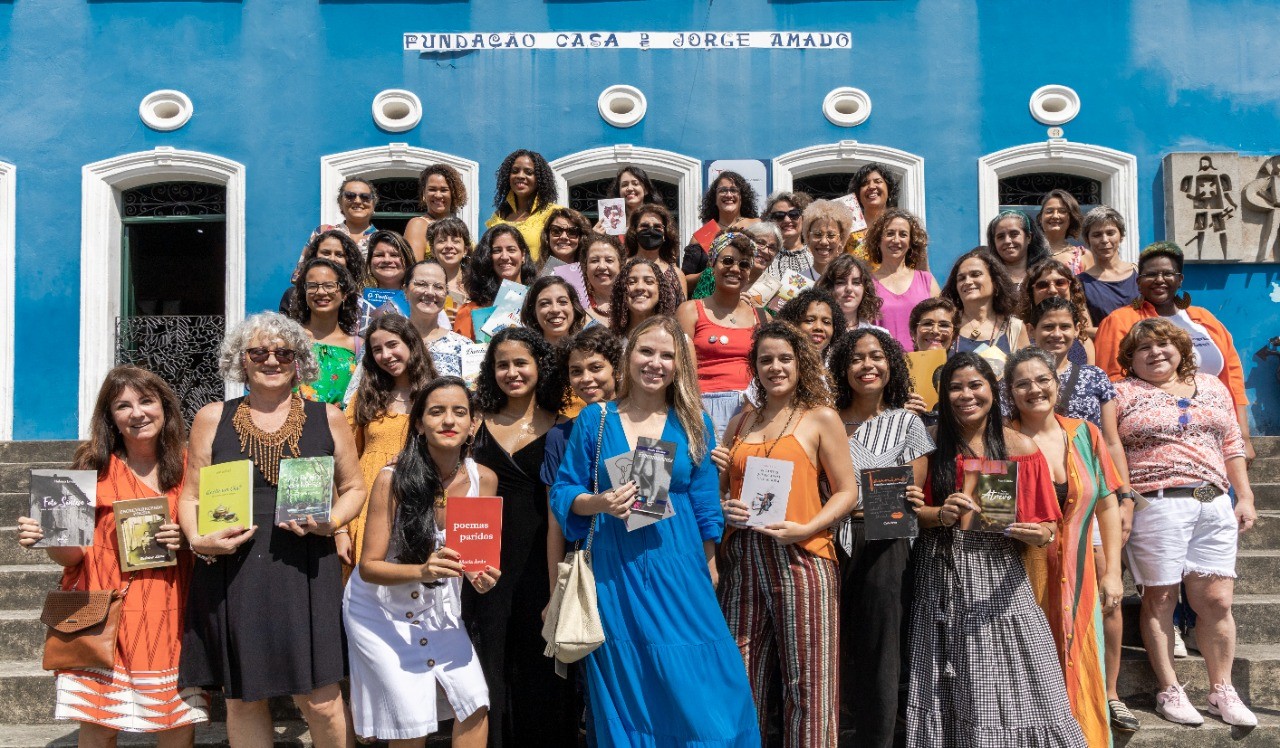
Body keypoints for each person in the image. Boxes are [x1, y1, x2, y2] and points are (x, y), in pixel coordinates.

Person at [549, 315, 760, 746]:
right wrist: (599, 503)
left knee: (709, 678)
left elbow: (704, 498)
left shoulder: (693, 421)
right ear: (628, 357)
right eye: (647, 351)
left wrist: (711, 561)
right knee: (631, 680)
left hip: (680, 564)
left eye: (668, 355)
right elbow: (564, 489)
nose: (655, 363)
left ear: (680, 365)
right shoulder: (597, 419)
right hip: (615, 568)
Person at [178, 312, 366, 746]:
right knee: (244, 697)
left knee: (319, 697)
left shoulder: (329, 416)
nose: (271, 360)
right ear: (241, 360)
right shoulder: (211, 417)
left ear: (298, 359)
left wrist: (333, 522)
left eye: (283, 352)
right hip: (235, 568)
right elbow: (190, 496)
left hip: (307, 566)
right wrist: (197, 538)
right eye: (258, 352)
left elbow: (355, 487)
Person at [16, 366, 208, 743]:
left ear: (165, 408)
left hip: (170, 614)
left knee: (175, 725)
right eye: (123, 405)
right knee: (99, 727)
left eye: (146, 401)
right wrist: (48, 536)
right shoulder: (91, 469)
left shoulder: (193, 467)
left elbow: (216, 533)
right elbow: (70, 558)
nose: (137, 413)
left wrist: (187, 538)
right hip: (101, 614)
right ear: (111, 418)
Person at [907, 352, 1085, 747]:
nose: (966, 395)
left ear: (993, 389)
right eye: (955, 387)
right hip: (940, 572)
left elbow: (1049, 528)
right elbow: (907, 512)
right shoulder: (928, 442)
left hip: (1000, 578)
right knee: (945, 683)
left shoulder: (1020, 445)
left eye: (976, 385)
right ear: (943, 393)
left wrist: (1033, 535)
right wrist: (941, 513)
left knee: (1015, 678)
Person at [715, 321, 858, 748]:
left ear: (800, 364)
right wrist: (725, 503)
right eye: (766, 360)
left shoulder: (821, 417)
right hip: (744, 556)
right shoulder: (740, 422)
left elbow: (848, 491)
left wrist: (808, 528)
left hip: (804, 556)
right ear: (754, 368)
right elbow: (723, 494)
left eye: (784, 359)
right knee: (738, 677)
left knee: (810, 684)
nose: (775, 367)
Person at [1114, 319, 1258, 727]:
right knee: (1160, 599)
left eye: (1163, 345)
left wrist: (1244, 495)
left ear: (1181, 349)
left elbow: (1231, 443)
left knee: (1217, 601)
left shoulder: (1212, 386)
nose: (1155, 353)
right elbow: (1112, 446)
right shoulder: (1123, 393)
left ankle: (1221, 689)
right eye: (1144, 348)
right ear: (1130, 358)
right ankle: (1169, 689)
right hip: (1157, 502)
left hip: (1213, 502)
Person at [343, 376, 500, 746]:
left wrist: (482, 576)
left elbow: (477, 557)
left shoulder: (485, 480)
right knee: (410, 718)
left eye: (460, 412)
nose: (449, 421)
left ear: (473, 423)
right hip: (379, 612)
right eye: (436, 412)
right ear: (418, 424)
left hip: (439, 608)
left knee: (474, 702)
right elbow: (369, 567)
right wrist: (423, 570)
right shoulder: (391, 479)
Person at [1004, 347, 1124, 745]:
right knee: (1030, 666)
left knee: (1083, 659)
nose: (1034, 389)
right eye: (1022, 383)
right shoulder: (1002, 439)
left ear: (1057, 384)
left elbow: (1107, 503)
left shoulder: (1085, 434)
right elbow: (992, 511)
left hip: (1081, 573)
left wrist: (1112, 572)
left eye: (1042, 380)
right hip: (1021, 577)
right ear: (1010, 392)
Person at [1028, 297, 1137, 732]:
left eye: (1064, 326)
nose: (1056, 334)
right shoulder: (1013, 396)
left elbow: (1110, 441)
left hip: (1086, 494)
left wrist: (1125, 493)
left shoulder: (1091, 379)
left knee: (1100, 594)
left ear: (1078, 330)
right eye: (1047, 326)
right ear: (1031, 331)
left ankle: (1107, 694)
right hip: (1037, 518)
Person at [467, 327, 575, 747]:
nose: (511, 372)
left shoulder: (566, 429)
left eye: (520, 363)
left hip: (543, 561)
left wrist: (555, 585)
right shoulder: (474, 427)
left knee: (543, 668)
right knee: (488, 666)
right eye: (502, 364)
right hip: (486, 565)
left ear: (539, 367)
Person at [826, 328, 934, 748]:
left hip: (885, 543)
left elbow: (910, 495)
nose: (866, 365)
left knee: (880, 649)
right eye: (856, 358)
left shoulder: (908, 422)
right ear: (842, 367)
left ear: (891, 365)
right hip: (827, 538)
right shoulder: (824, 418)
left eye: (876, 356)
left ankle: (879, 739)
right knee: (830, 642)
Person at [1095, 241, 1254, 461]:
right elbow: (1111, 383)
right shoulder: (1120, 321)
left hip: (1215, 437)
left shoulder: (1205, 319)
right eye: (1150, 275)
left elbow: (1233, 381)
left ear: (1180, 280)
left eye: (1167, 273)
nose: (1159, 280)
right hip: (1154, 442)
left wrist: (1243, 437)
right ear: (1139, 282)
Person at [341, 314, 438, 574]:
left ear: (411, 344)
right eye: (377, 350)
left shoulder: (436, 395)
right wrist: (340, 528)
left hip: (420, 498)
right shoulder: (366, 397)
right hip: (367, 504)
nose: (386, 355)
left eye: (392, 345)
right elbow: (343, 459)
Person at [676, 232, 762, 439]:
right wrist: (696, 414)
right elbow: (684, 368)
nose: (735, 269)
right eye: (728, 261)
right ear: (712, 265)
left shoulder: (762, 316)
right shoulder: (690, 310)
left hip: (751, 409)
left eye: (744, 264)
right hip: (702, 407)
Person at [940, 248, 1029, 374]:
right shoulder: (946, 324)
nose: (967, 282)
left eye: (975, 274)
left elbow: (1026, 375)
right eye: (961, 278)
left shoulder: (1015, 328)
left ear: (995, 282)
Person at [288, 258, 359, 408]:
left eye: (329, 286)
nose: (320, 292)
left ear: (344, 293)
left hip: (339, 428)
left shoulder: (358, 347)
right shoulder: (289, 339)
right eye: (312, 286)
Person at [867, 209, 940, 349]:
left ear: (911, 241)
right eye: (889, 233)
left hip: (923, 363)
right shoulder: (867, 284)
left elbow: (942, 323)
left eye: (903, 234)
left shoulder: (927, 281)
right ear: (878, 240)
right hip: (884, 366)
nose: (896, 240)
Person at [454, 225, 537, 343]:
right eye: (497, 251)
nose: (504, 256)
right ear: (487, 257)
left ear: (523, 255)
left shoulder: (538, 302)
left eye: (511, 249)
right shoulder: (470, 311)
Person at [682, 172, 762, 287]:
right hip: (711, 301)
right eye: (723, 190)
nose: (728, 195)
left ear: (742, 196)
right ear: (714, 199)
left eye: (734, 190)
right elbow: (684, 281)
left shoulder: (757, 225)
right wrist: (710, 271)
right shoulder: (703, 235)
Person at [294, 178, 379, 280]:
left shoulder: (381, 240)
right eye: (350, 196)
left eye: (365, 197)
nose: (357, 201)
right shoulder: (323, 232)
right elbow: (300, 275)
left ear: (373, 204)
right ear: (340, 203)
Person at [484, 149, 562, 262]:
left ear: (539, 179)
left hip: (540, 278)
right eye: (515, 171)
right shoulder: (499, 216)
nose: (520, 176)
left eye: (529, 172)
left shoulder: (554, 214)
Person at [406, 260, 473, 379]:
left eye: (438, 287)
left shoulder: (464, 346)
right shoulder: (387, 340)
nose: (430, 292)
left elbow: (475, 392)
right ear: (405, 291)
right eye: (421, 284)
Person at [1020, 259, 1095, 365]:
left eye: (1060, 283)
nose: (1052, 290)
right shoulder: (1017, 332)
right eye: (1042, 285)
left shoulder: (1084, 341)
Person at [1078, 206, 1137, 331]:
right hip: (1105, 348)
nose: (1104, 240)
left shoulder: (1140, 274)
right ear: (1087, 240)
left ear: (1121, 236)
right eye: (1097, 235)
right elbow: (1085, 330)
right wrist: (1128, 333)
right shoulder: (1080, 283)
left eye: (1110, 233)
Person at [279, 229, 365, 315]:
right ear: (314, 256)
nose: (332, 259)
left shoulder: (361, 300)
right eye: (326, 253)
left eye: (339, 255)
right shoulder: (293, 296)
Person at [405, 163, 468, 261]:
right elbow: (414, 268)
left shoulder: (458, 225)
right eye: (432, 189)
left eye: (444, 190)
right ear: (423, 194)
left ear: (453, 194)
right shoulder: (418, 225)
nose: (438, 195)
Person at [624, 203, 686, 302]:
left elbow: (681, 313)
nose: (651, 231)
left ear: (665, 234)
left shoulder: (677, 275)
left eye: (657, 227)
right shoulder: (621, 268)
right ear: (635, 231)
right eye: (644, 226)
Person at [609, 257, 681, 339]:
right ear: (621, 291)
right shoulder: (610, 341)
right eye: (631, 282)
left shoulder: (676, 339)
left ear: (660, 290)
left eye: (649, 282)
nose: (640, 287)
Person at [986, 209, 1051, 293]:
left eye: (1014, 234)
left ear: (1028, 237)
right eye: (1000, 237)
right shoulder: (988, 277)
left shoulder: (1047, 274)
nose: (1007, 241)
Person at [776, 287, 847, 361]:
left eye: (826, 322)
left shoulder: (831, 370)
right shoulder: (779, 364)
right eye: (809, 320)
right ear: (792, 325)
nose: (819, 327)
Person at [818, 254, 884, 332]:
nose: (849, 288)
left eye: (856, 282)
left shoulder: (879, 337)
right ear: (829, 287)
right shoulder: (819, 333)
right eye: (841, 282)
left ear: (865, 288)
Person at [845, 164, 899, 258]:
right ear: (858, 194)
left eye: (878, 181)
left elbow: (920, 268)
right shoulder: (848, 231)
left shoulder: (902, 226)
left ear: (889, 190)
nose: (871, 186)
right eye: (865, 183)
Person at [519, 275, 587, 347]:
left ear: (573, 307)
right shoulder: (524, 354)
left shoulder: (588, 352)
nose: (555, 309)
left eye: (562, 301)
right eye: (545, 303)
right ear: (533, 312)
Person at [592, 165, 665, 231]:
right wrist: (595, 237)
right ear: (619, 192)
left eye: (635, 184)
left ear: (646, 190)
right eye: (624, 185)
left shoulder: (656, 219)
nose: (629, 188)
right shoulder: (609, 222)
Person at [425, 217, 474, 317]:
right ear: (433, 250)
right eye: (441, 241)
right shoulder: (422, 283)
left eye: (455, 241)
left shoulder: (477, 283)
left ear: (465, 250)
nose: (449, 246)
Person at [1039, 189, 1093, 274]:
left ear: (1071, 218)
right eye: (1049, 211)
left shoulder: (1083, 256)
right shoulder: (1027, 253)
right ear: (1040, 218)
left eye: (1062, 211)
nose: (1055, 216)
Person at [803, 199, 854, 281]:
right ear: (808, 237)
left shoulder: (850, 282)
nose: (823, 242)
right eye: (817, 234)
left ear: (841, 239)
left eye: (831, 235)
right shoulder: (794, 283)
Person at [578, 232, 622, 327]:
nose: (602, 266)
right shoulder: (576, 304)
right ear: (585, 267)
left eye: (609, 260)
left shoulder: (632, 301)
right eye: (594, 260)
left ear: (621, 265)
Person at [537, 207, 590, 275]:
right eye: (556, 231)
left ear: (581, 237)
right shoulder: (532, 273)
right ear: (547, 235)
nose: (563, 237)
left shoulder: (590, 274)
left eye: (572, 232)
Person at [741, 221, 781, 290]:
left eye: (772, 248)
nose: (766, 251)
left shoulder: (773, 289)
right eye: (760, 243)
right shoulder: (727, 274)